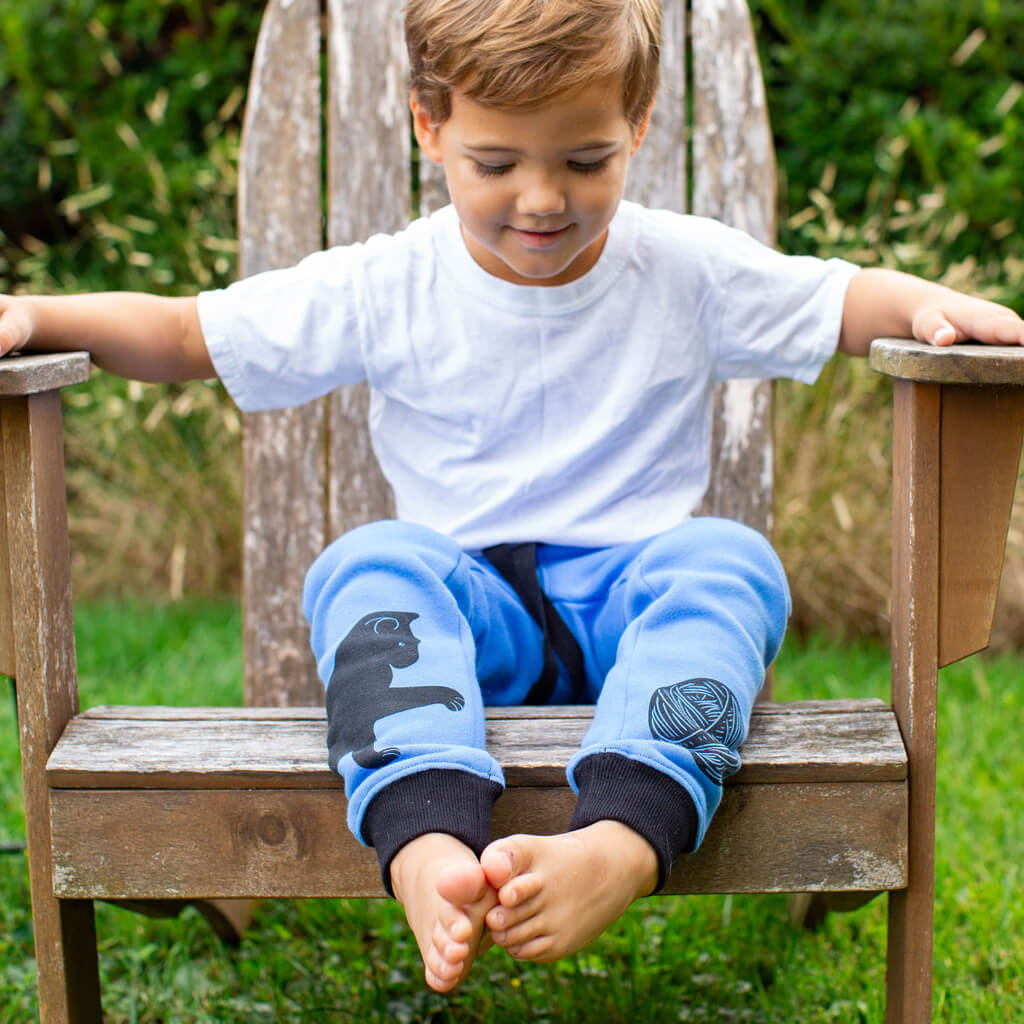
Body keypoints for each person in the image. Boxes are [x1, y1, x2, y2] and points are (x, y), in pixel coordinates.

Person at [2, 0, 1022, 996]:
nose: (541, 198)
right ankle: (425, 836)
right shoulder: (388, 283)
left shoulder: (685, 268)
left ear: (639, 125)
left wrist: (930, 304)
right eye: (496, 164)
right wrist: (40, 313)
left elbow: (841, 300)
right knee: (364, 560)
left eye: (584, 161)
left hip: (636, 615)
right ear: (428, 127)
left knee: (731, 561)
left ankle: (624, 835)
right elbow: (187, 335)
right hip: (463, 628)